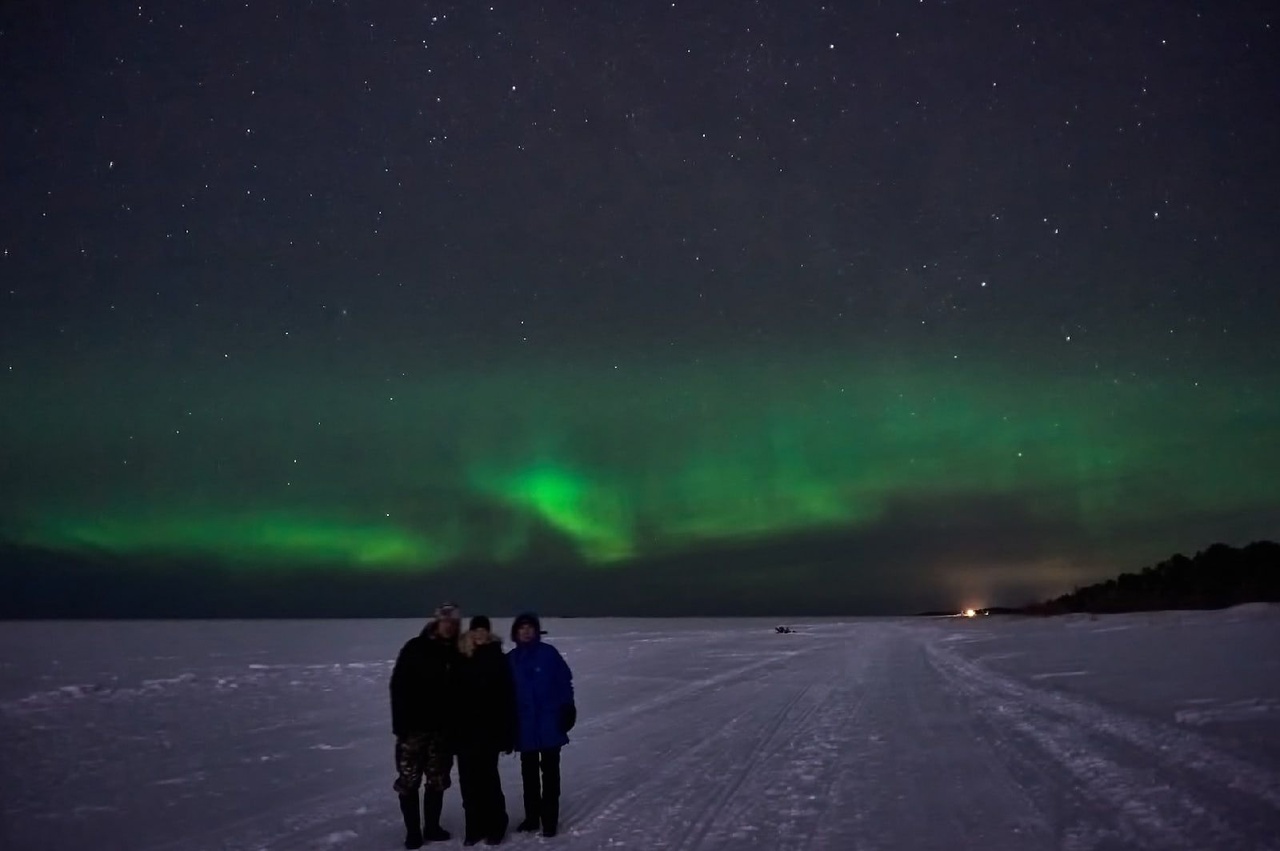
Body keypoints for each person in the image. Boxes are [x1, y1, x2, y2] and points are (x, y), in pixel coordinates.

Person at [390, 603, 463, 849]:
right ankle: (413, 832)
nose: (449, 627)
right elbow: (398, 686)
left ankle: (431, 826)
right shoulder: (415, 648)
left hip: (442, 732)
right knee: (409, 780)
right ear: (436, 622)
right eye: (446, 622)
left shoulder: (458, 651)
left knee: (437, 780)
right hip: (414, 729)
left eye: (453, 623)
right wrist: (400, 724)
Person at [507, 612, 575, 838]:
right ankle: (532, 816)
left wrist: (567, 707)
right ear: (516, 632)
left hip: (549, 723)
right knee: (529, 775)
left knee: (550, 774)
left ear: (536, 631)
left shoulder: (549, 654)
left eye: (530, 628)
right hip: (525, 727)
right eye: (522, 628)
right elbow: (504, 694)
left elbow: (564, 681)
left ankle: (549, 819)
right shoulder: (511, 659)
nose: (526, 631)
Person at [455, 615, 517, 846]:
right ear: (470, 632)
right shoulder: (461, 656)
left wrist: (507, 733)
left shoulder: (497, 658)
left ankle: (496, 826)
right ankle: (474, 827)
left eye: (483, 630)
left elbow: (507, 697)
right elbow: (452, 696)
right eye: (476, 630)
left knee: (489, 781)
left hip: (489, 732)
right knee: (468, 783)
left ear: (488, 633)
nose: (479, 634)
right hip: (464, 732)